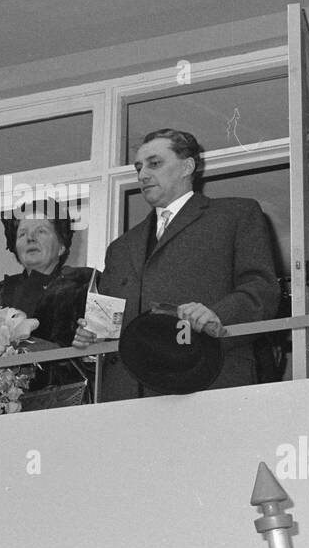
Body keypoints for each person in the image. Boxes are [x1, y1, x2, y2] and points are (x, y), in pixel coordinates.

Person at [73, 128, 280, 401]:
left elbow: (261, 290)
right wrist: (90, 340)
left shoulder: (236, 215)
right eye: (138, 167)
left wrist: (216, 316)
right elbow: (106, 327)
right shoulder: (121, 248)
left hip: (210, 380)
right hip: (128, 398)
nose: (142, 175)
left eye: (154, 164)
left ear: (187, 166)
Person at [0, 198, 96, 398]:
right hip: (0, 416)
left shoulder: (86, 283)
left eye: (41, 231)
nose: (30, 239)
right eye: (22, 234)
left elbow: (99, 356)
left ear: (62, 246)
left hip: (67, 409)